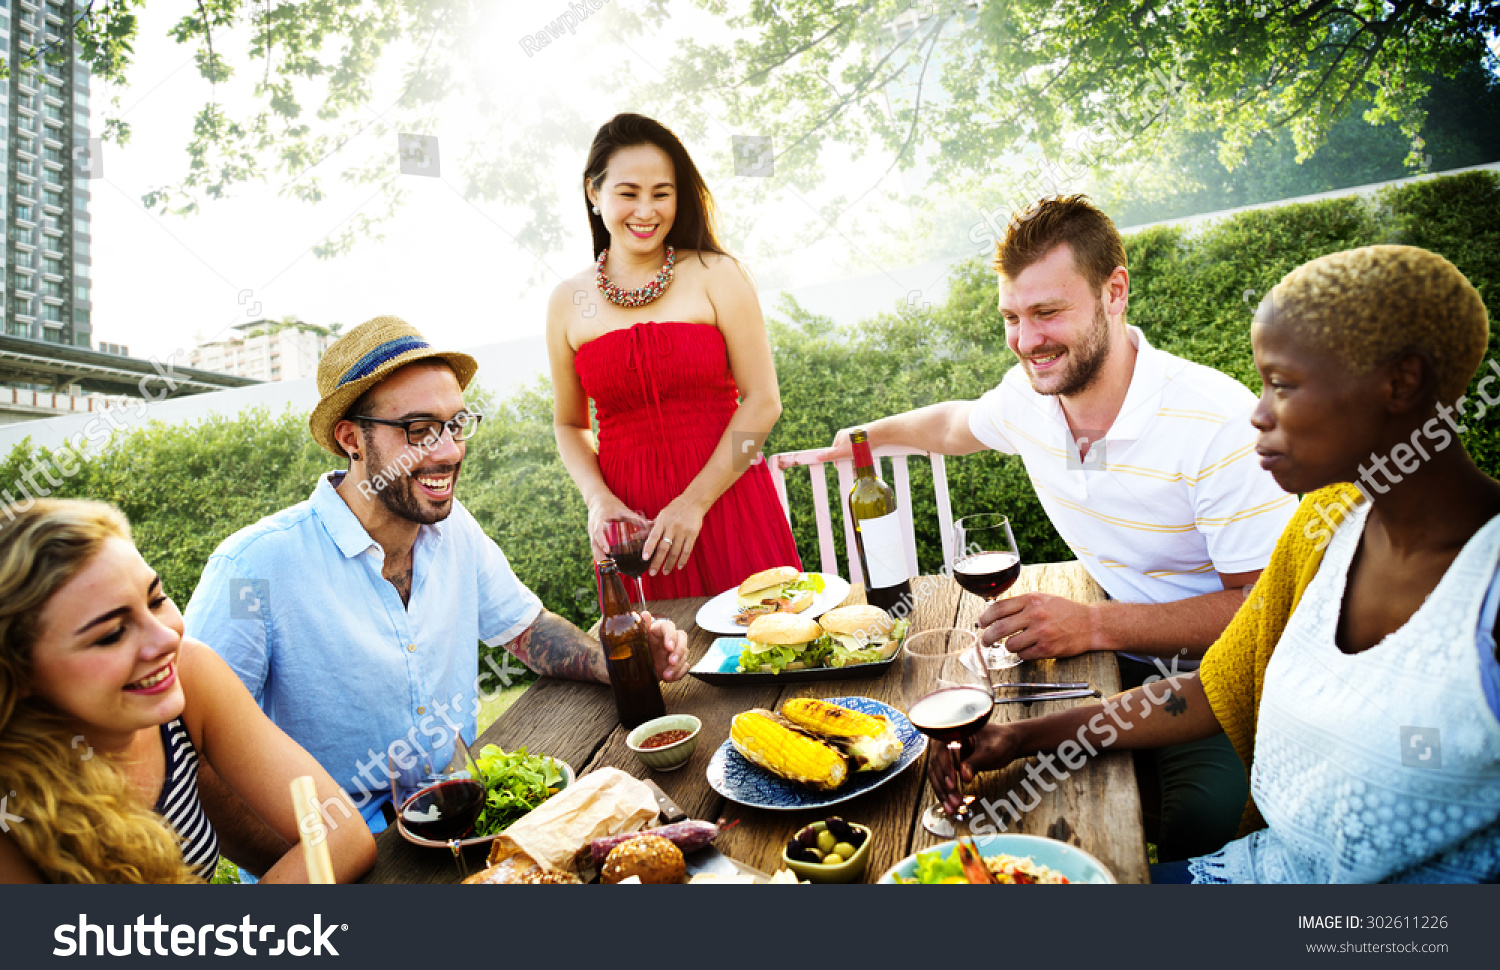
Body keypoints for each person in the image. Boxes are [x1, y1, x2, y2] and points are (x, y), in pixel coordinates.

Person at [936, 245, 1500, 883]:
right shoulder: (1325, 531)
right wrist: (1023, 739)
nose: (1256, 413)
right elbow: (1215, 691)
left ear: (1402, 385)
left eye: (1281, 385)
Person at [826, 195, 1298, 860]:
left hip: (1222, 684)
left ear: (1115, 291)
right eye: (1012, 318)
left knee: (1198, 835)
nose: (1026, 341)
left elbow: (1263, 612)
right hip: (1102, 669)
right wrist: (865, 436)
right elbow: (957, 425)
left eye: (1047, 312)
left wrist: (1097, 625)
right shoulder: (1029, 397)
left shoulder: (1217, 425)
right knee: (960, 796)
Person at [181, 316, 689, 872]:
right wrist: (326, 869)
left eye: (455, 424)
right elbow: (197, 761)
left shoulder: (455, 530)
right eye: (419, 429)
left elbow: (526, 628)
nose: (447, 451)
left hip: (463, 820)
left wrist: (620, 660)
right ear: (352, 439)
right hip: (347, 862)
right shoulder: (251, 569)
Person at [0, 499, 376, 883]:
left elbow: (337, 831)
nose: (165, 638)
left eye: (156, 600)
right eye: (111, 634)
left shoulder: (188, 671)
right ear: (18, 670)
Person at [547, 112, 801, 601]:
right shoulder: (566, 301)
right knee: (660, 668)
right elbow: (569, 425)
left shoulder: (717, 274)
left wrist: (694, 503)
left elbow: (764, 402)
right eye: (628, 192)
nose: (646, 210)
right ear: (593, 193)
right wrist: (597, 500)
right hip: (633, 531)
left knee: (771, 651)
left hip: (730, 501)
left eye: (661, 193)